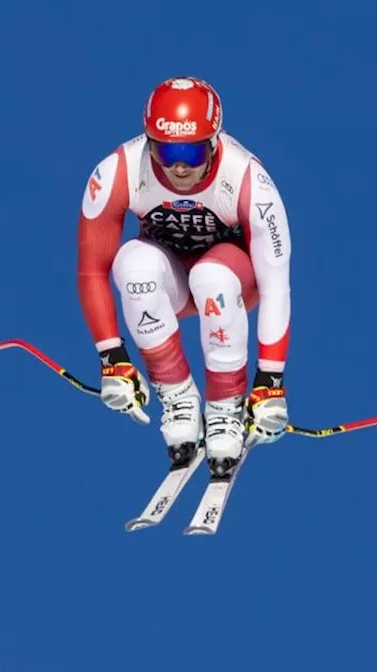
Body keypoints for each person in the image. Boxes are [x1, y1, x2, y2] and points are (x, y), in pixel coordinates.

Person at [76, 75, 292, 478]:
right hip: (170, 279)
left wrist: (270, 381)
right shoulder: (118, 171)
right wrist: (113, 359)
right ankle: (177, 395)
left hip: (231, 281)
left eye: (191, 153)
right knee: (132, 264)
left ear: (213, 142)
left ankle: (225, 406)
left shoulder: (248, 180)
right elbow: (92, 269)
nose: (177, 166)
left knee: (210, 276)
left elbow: (277, 283)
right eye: (166, 150)